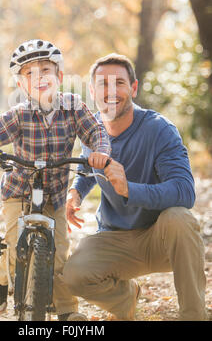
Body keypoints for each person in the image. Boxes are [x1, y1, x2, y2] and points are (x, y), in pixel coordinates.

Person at [0, 39, 111, 321]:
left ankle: (68, 311)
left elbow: (97, 134)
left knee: (59, 255)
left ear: (60, 77)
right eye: (29, 73)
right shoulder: (18, 115)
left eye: (45, 69)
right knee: (11, 249)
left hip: (55, 193)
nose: (39, 77)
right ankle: (0, 271)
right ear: (21, 86)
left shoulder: (74, 108)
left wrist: (100, 152)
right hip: (19, 190)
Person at [63, 53, 207, 321]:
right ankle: (126, 299)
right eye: (103, 84)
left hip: (160, 239)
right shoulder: (91, 129)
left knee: (180, 218)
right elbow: (87, 168)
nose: (111, 91)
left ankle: (193, 315)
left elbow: (184, 192)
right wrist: (76, 191)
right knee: (72, 275)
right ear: (92, 90)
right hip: (115, 239)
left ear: (133, 87)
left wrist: (129, 188)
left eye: (119, 82)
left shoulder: (159, 129)